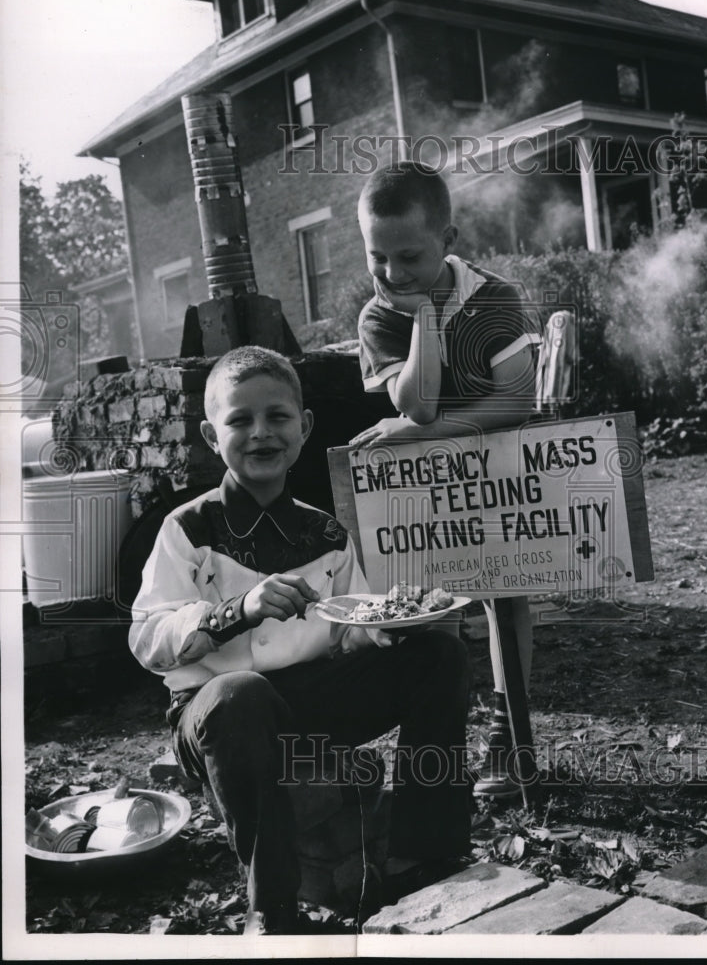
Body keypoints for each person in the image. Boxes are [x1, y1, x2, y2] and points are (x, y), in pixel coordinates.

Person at [129, 346, 472, 935]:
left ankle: (423, 855)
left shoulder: (327, 533)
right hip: (216, 717)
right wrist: (236, 611)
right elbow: (147, 638)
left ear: (304, 427)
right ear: (213, 436)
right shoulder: (186, 529)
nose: (261, 433)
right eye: (240, 420)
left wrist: (386, 630)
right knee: (241, 693)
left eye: (278, 417)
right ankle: (273, 909)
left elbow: (345, 636)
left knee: (440, 655)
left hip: (309, 703)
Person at [351, 161, 544, 797]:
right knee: (432, 610)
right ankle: (436, 744)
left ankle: (508, 736)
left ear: (449, 240)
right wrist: (427, 316)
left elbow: (516, 402)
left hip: (500, 475)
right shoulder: (379, 317)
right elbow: (419, 404)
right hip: (428, 491)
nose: (393, 274)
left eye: (410, 256)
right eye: (378, 258)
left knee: (504, 599)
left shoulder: (496, 298)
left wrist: (426, 431)